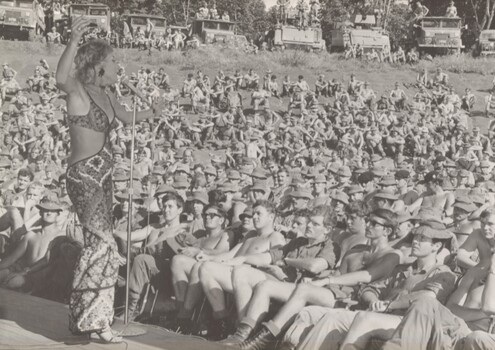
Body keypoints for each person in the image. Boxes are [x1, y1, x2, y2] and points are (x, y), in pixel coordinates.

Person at [56, 16, 165, 343]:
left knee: (101, 247)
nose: (119, 65)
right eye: (113, 60)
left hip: (104, 176)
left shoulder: (108, 93)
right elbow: (61, 78)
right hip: (84, 175)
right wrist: (74, 41)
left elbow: (127, 116)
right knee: (102, 245)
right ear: (98, 65)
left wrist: (153, 112)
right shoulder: (78, 90)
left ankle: (95, 320)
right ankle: (91, 318)